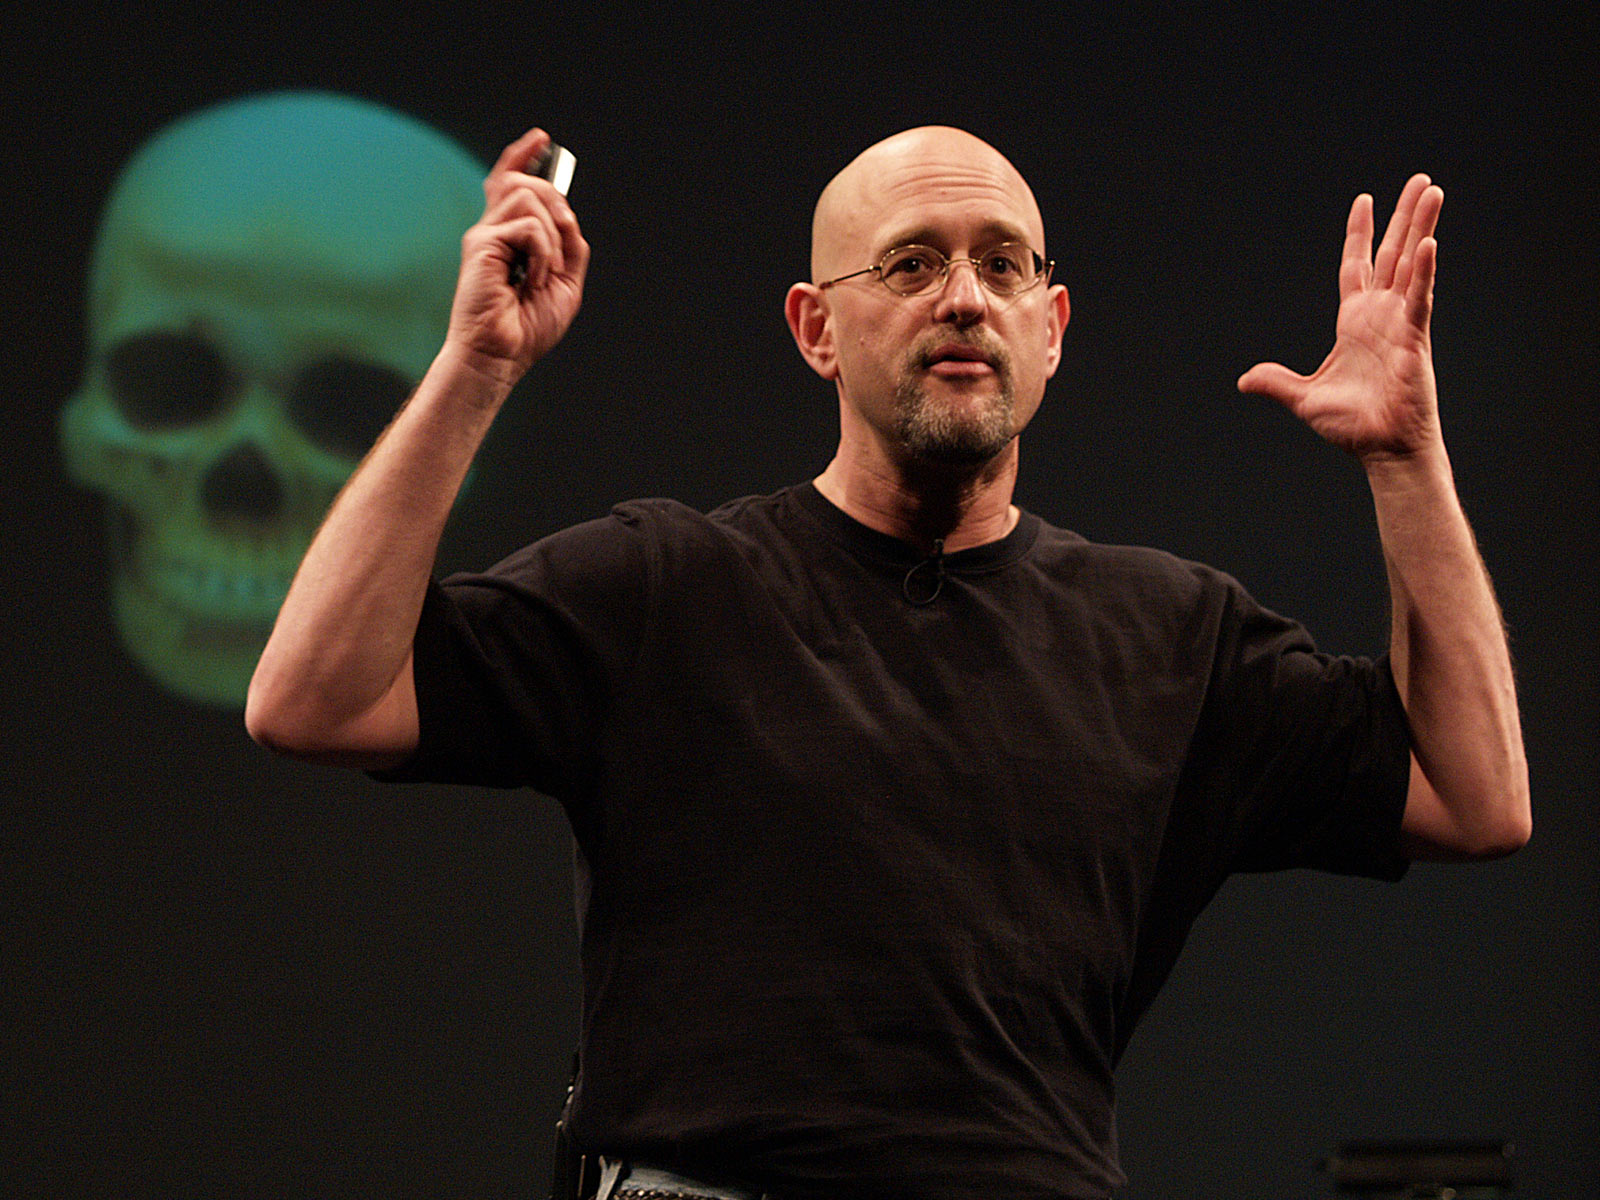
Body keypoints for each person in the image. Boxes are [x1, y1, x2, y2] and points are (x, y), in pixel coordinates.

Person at [246, 126, 1530, 1199]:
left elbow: (1471, 796)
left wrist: (1404, 456)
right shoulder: (665, 585)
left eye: (1002, 265)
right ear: (816, 328)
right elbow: (317, 698)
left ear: (1051, 327)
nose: (963, 296)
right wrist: (476, 366)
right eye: (911, 263)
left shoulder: (1169, 635)